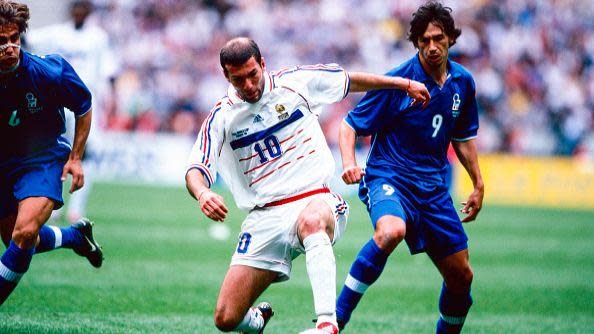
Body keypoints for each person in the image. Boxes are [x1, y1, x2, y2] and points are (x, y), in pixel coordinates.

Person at [185, 37, 430, 333]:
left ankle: (327, 323)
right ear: (227, 76)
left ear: (263, 65)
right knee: (226, 319)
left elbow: (349, 80)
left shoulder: (296, 83)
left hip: (315, 197)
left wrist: (402, 85)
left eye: (253, 74)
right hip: (265, 216)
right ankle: (258, 321)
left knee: (313, 221)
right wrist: (203, 192)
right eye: (239, 80)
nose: (249, 85)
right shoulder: (222, 116)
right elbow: (195, 169)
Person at [335, 2, 484, 333]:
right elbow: (349, 124)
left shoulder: (463, 82)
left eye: (438, 38)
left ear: (451, 39)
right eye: (424, 40)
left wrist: (478, 183)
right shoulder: (398, 81)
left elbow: (462, 137)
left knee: (462, 277)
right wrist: (349, 163)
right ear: (415, 42)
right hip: (389, 177)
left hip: (432, 188)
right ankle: (334, 321)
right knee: (390, 231)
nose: (432, 46)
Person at [0, 0, 103, 306]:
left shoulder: (49, 71)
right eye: (1, 41)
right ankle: (75, 237)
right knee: (17, 240)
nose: (9, 47)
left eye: (14, 39)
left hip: (41, 158)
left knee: (25, 232)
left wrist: (75, 157)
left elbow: (83, 105)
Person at [26, 0, 119, 223]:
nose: (78, 14)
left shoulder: (98, 37)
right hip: (58, 101)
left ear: (88, 12)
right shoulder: (57, 33)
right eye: (75, 10)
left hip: (86, 103)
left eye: (82, 10)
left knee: (85, 154)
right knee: (58, 150)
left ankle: (76, 208)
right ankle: (54, 204)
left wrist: (113, 98)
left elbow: (109, 70)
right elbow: (27, 39)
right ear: (71, 12)